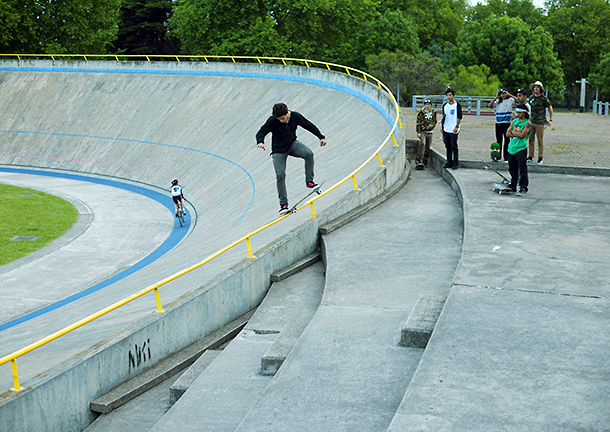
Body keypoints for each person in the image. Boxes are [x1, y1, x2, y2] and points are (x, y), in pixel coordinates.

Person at [256, 103, 327, 213]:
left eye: (283, 118)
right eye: (279, 119)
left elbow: (309, 125)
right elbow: (261, 132)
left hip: (292, 145)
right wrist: (260, 142)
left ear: (287, 113)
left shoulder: (295, 116)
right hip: (278, 150)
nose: (281, 121)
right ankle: (283, 205)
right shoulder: (273, 120)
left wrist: (321, 137)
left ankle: (309, 181)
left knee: (308, 153)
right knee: (280, 175)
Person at [506, 103, 532, 195]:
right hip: (512, 147)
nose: (518, 114)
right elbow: (507, 133)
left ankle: (523, 187)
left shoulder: (527, 123)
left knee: (522, 169)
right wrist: (514, 133)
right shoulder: (514, 121)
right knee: (512, 168)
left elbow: (523, 135)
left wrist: (513, 133)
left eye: (520, 113)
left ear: (524, 113)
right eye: (517, 112)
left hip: (521, 148)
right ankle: (513, 185)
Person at [528, 80, 553, 164]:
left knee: (540, 140)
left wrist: (550, 119)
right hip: (532, 121)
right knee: (531, 140)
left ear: (540, 89)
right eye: (535, 87)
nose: (536, 89)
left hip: (540, 122)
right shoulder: (531, 98)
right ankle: (530, 156)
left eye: (537, 87)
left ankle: (540, 157)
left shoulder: (543, 99)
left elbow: (550, 108)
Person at [488, 87, 515, 162]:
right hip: (498, 122)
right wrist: (496, 97)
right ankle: (497, 156)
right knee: (499, 140)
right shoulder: (498, 101)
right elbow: (490, 105)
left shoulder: (510, 100)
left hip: (506, 122)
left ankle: (506, 157)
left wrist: (509, 94)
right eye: (501, 94)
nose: (503, 95)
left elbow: (517, 100)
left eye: (504, 93)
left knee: (507, 140)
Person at [441, 88, 462, 169]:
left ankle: (455, 162)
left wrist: (456, 126)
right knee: (448, 146)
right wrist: (442, 127)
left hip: (453, 129)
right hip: (446, 128)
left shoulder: (457, 105)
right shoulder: (445, 106)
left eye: (450, 95)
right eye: (447, 95)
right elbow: (444, 117)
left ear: (453, 95)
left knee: (454, 146)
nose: (449, 97)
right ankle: (449, 161)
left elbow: (459, 117)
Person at [415, 98, 437, 169]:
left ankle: (425, 160)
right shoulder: (421, 112)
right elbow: (418, 122)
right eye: (426, 104)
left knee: (428, 146)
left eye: (429, 104)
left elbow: (435, 120)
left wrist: (433, 126)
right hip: (423, 131)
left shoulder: (433, 112)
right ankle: (418, 159)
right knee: (422, 144)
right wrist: (418, 132)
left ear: (430, 105)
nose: (427, 106)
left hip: (430, 131)